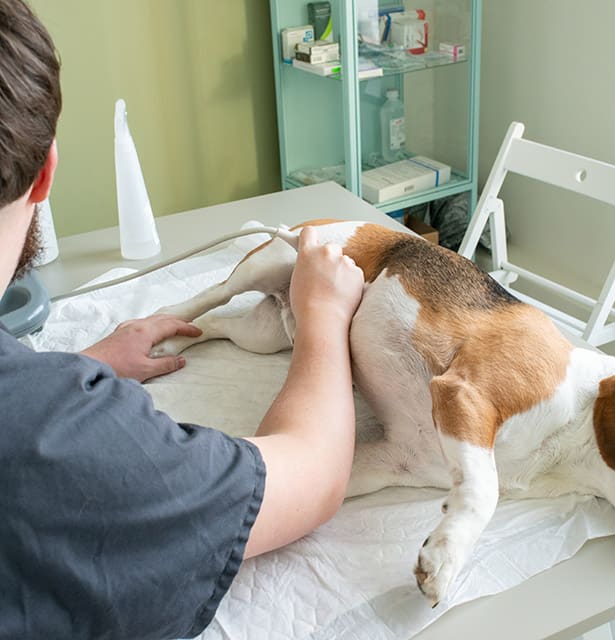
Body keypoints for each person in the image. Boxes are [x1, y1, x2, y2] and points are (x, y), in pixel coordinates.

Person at [0, 1, 365, 638]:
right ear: (46, 173)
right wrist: (324, 316)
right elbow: (311, 475)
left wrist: (79, 367)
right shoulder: (70, 442)